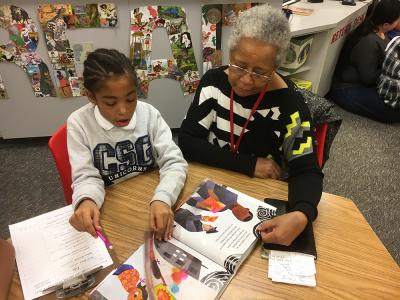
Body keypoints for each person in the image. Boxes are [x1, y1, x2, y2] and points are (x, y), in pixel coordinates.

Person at [179, 5, 323, 246]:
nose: (245, 80)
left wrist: (301, 215)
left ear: (275, 67)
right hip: (212, 189)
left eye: (260, 72)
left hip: (257, 201)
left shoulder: (291, 106)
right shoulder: (213, 83)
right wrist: (249, 164)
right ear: (230, 53)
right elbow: (187, 141)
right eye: (239, 65)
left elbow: (306, 171)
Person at [67, 48, 188, 241]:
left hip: (152, 200)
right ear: (91, 97)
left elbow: (174, 162)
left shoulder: (148, 114)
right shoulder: (79, 124)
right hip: (111, 211)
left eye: (131, 99)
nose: (124, 110)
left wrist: (163, 197)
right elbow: (86, 177)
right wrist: (87, 200)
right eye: (110, 103)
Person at [330, 0, 400, 123]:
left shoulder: (382, 33)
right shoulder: (369, 42)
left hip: (364, 83)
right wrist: (392, 68)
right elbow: (368, 78)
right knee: (395, 113)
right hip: (348, 88)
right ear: (385, 24)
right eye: (397, 20)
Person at [187, 180, 253, 222]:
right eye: (243, 212)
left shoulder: (220, 208)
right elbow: (212, 180)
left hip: (190, 188)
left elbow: (191, 202)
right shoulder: (234, 194)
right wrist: (210, 190)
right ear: (246, 208)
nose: (239, 213)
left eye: (239, 216)